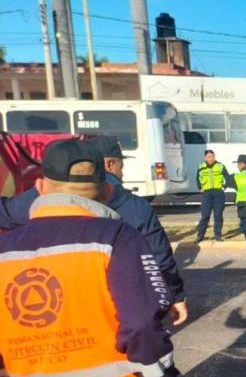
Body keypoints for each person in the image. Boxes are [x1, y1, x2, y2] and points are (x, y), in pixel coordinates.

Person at [0, 138, 181, 377]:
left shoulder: (4, 250)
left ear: (42, 188)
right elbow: (143, 324)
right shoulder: (116, 238)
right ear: (104, 189)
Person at [0, 135, 189, 324]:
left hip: (53, 306)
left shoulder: (42, 194)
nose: (122, 173)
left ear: (40, 186)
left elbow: (6, 215)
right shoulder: (134, 206)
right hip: (116, 312)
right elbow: (159, 258)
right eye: (121, 167)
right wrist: (175, 295)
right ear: (110, 165)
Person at [196, 149, 229, 242]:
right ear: (205, 158)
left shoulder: (220, 166)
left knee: (218, 215)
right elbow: (197, 178)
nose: (211, 159)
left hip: (218, 193)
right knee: (205, 215)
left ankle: (218, 235)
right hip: (206, 193)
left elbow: (228, 177)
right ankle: (200, 236)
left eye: (212, 156)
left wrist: (224, 187)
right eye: (209, 157)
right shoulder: (201, 167)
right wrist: (200, 188)